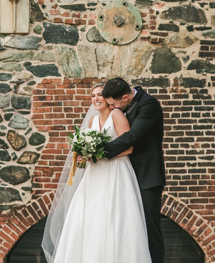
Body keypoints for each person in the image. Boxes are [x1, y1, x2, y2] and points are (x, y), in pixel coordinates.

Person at [42, 85, 152, 263]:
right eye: (93, 96)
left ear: (108, 98)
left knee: (113, 215)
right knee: (89, 215)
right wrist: (84, 154)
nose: (95, 99)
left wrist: (99, 154)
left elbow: (129, 147)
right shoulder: (92, 121)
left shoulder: (117, 115)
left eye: (99, 95)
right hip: (94, 175)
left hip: (116, 170)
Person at [102, 77, 166, 263]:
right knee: (130, 227)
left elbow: (134, 136)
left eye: (114, 104)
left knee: (149, 227)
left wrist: (100, 152)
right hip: (125, 175)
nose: (113, 108)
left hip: (147, 175)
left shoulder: (149, 105)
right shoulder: (120, 105)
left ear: (125, 96)